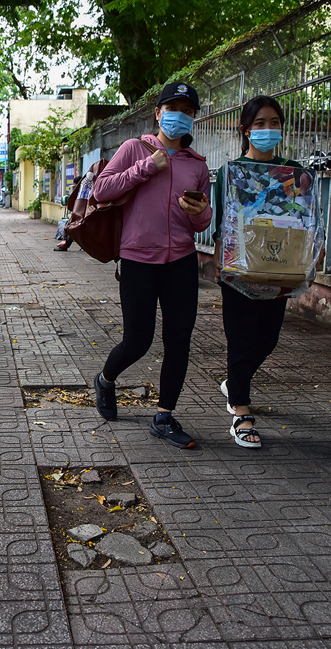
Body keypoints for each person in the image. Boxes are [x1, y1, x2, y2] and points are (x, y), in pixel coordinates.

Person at [92, 82, 212, 449]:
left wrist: (201, 212)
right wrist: (147, 167)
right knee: (137, 340)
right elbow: (102, 190)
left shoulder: (198, 165)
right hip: (138, 260)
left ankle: (164, 416)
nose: (180, 115)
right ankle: (105, 380)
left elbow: (204, 222)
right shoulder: (134, 149)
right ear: (158, 113)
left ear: (193, 120)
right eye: (173, 108)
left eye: (188, 111)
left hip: (181, 262)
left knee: (179, 340)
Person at [213, 95, 304, 448]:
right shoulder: (231, 172)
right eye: (260, 124)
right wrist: (221, 259)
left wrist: (313, 249)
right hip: (239, 267)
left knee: (268, 339)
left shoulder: (294, 172)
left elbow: (303, 217)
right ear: (245, 130)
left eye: (275, 123)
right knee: (240, 338)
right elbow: (224, 221)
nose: (268, 129)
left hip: (278, 267)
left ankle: (235, 382)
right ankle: (241, 412)